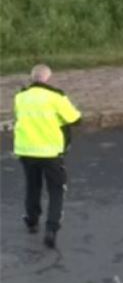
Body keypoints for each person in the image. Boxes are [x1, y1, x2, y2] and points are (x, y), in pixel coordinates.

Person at [13, 64, 82, 247]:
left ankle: (32, 220)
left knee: (32, 186)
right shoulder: (56, 97)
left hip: (26, 150)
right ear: (48, 78)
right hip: (51, 152)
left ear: (32, 77)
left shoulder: (20, 97)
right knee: (56, 189)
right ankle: (51, 228)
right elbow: (75, 119)